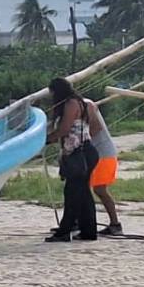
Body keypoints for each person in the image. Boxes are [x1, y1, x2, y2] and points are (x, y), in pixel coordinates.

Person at [45, 77, 99, 242]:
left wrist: (47, 139)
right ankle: (88, 230)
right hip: (88, 150)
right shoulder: (85, 103)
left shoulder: (70, 104)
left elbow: (64, 129)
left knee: (72, 194)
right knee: (84, 194)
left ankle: (64, 231)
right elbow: (96, 127)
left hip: (77, 153)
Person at [86, 98, 123, 235]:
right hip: (95, 153)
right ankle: (77, 220)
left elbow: (94, 128)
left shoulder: (86, 104)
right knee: (80, 188)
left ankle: (115, 224)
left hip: (103, 153)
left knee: (100, 189)